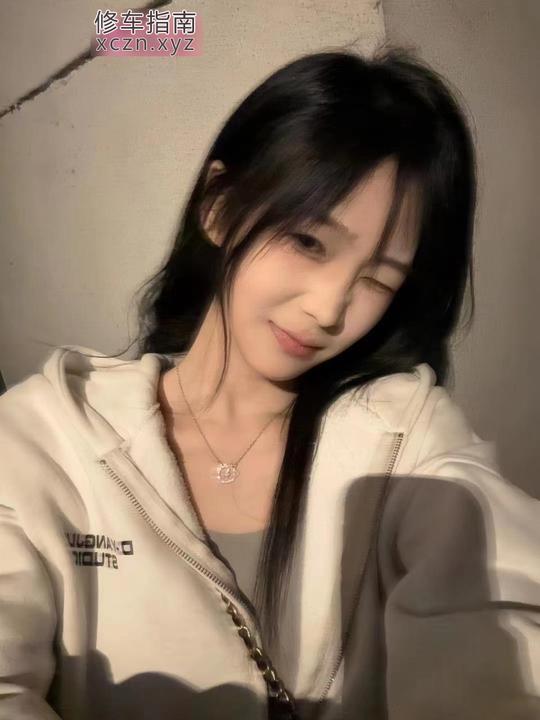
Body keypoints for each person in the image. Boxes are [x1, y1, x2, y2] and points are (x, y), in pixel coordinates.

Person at [0, 45, 539, 720]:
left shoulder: (405, 434)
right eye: (309, 242)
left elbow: (499, 604)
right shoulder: (44, 437)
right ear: (220, 207)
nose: (330, 308)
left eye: (378, 279)